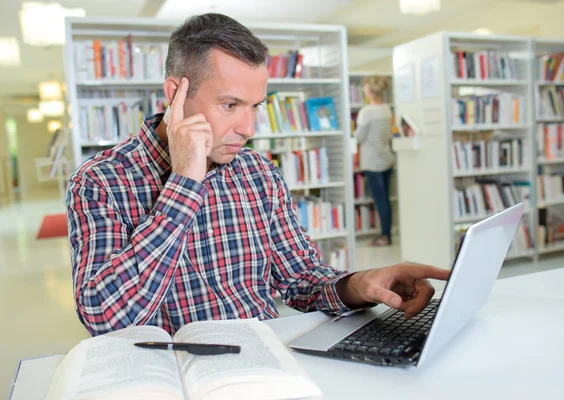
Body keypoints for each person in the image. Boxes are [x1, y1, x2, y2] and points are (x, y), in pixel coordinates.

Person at [66, 13, 449, 337]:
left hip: (267, 368)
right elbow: (105, 317)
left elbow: (300, 278)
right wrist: (182, 184)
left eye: (256, 106)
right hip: (176, 379)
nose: (249, 127)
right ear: (175, 94)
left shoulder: (258, 172)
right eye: (230, 104)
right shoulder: (100, 181)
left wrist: (359, 285)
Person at [355, 76, 396, 247]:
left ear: (370, 91)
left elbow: (359, 137)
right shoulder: (387, 109)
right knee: (385, 199)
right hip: (386, 159)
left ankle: (384, 237)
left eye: (365, 88)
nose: (364, 90)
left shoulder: (367, 112)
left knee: (380, 201)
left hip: (372, 161)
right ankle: (386, 234)